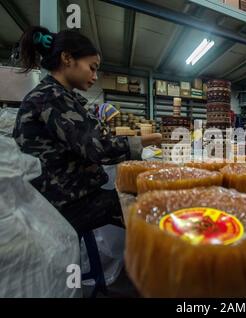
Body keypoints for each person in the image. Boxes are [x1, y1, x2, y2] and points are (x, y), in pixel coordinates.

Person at [13, 26, 159, 234]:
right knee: (153, 206)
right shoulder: (52, 97)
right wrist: (144, 140)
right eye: (92, 67)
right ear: (67, 58)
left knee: (139, 192)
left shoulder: (61, 96)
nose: (95, 76)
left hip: (65, 194)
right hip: (60, 204)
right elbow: (96, 147)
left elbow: (88, 137)